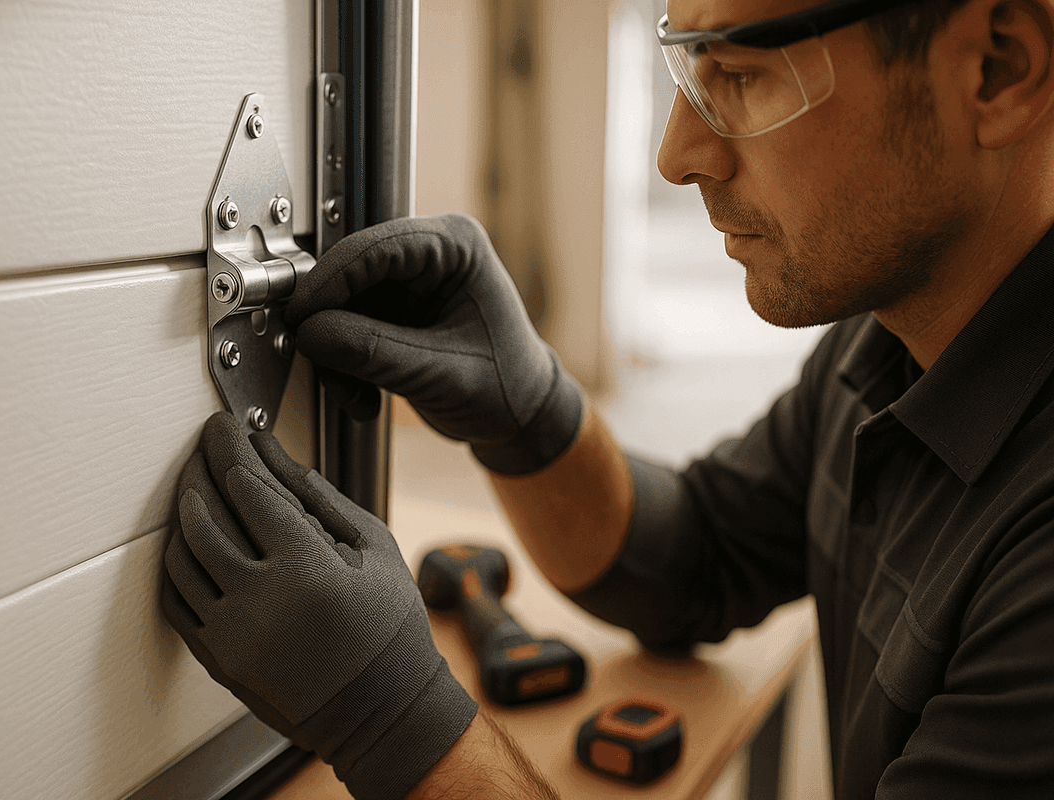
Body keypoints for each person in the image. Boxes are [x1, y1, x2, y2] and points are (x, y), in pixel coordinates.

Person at [158, 0, 1054, 796]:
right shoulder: (895, 341)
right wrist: (533, 415)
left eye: (740, 73)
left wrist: (394, 727)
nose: (677, 153)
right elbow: (700, 559)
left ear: (996, 70)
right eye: (688, 65)